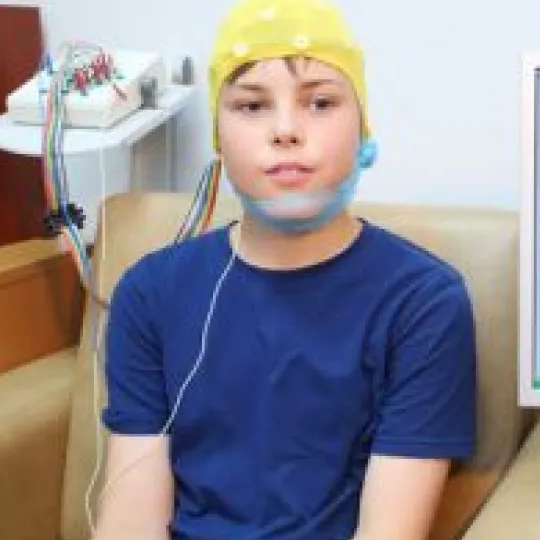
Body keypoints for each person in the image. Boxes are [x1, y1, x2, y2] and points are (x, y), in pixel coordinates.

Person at [92, 0, 477, 538]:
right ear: (219, 141)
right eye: (251, 106)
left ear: (363, 128)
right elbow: (130, 521)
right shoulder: (150, 293)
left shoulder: (423, 302)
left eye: (320, 102)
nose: (286, 131)